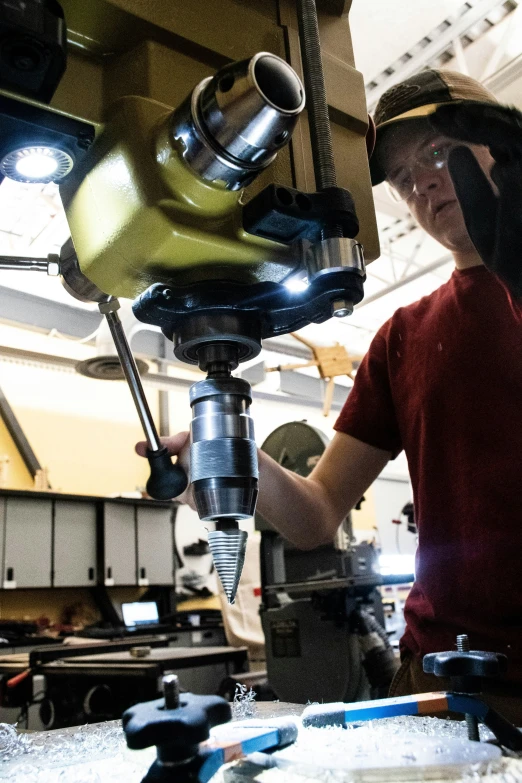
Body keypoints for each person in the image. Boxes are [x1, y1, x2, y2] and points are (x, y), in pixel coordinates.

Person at [137, 69, 522, 722]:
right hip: (439, 674)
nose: (421, 184)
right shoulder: (404, 336)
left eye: (435, 152)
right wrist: (234, 455)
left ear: (500, 145)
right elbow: (316, 513)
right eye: (401, 176)